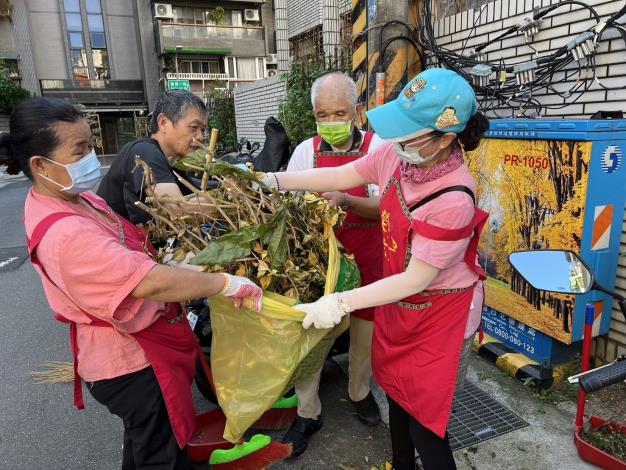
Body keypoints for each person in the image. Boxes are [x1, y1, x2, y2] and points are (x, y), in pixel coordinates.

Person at [1, 97, 263, 470]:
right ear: (41, 165)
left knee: (145, 447)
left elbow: (131, 249)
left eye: (92, 145)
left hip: (133, 347)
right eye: (80, 150)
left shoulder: (77, 199)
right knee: (164, 456)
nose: (92, 157)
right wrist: (224, 282)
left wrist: (173, 260)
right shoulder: (66, 232)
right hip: (129, 362)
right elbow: (151, 283)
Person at [262, 68, 490, 470]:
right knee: (398, 403)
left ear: (447, 138)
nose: (397, 140)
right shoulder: (399, 156)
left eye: (409, 132)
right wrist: (276, 179)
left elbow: (416, 278)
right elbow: (343, 173)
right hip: (402, 304)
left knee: (427, 425)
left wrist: (339, 302)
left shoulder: (454, 197)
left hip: (441, 316)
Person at [281, 72, 384, 456]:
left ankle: (359, 393)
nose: (331, 122)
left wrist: (347, 200)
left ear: (357, 111)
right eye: (322, 114)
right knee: (311, 336)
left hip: (369, 259)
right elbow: (289, 204)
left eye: (339, 112)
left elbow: (388, 207)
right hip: (322, 264)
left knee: (364, 336)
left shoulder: (378, 148)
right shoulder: (306, 151)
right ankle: (308, 411)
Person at [97, 90, 209, 227]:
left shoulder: (170, 163)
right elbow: (179, 211)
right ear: (163, 123)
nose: (200, 137)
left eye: (203, 130)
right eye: (194, 127)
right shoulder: (145, 151)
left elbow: (198, 192)